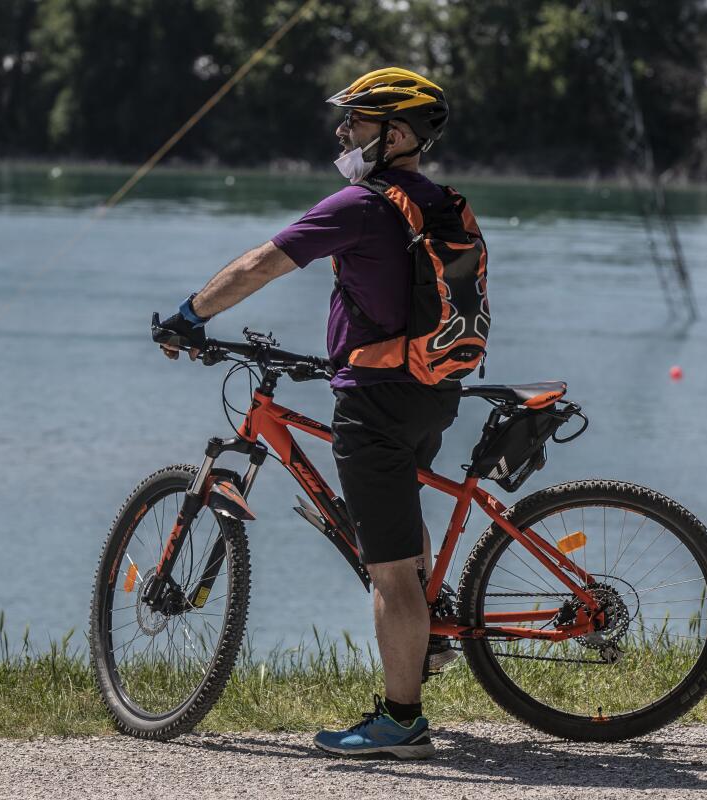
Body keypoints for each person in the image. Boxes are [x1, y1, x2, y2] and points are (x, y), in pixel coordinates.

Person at [157, 68, 474, 760]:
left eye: (357, 122)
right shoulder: (441, 203)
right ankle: (428, 638)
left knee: (388, 568)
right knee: (402, 515)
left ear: (394, 134)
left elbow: (261, 265)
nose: (344, 132)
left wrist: (191, 314)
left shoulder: (361, 205)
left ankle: (401, 720)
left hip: (377, 402)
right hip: (431, 389)